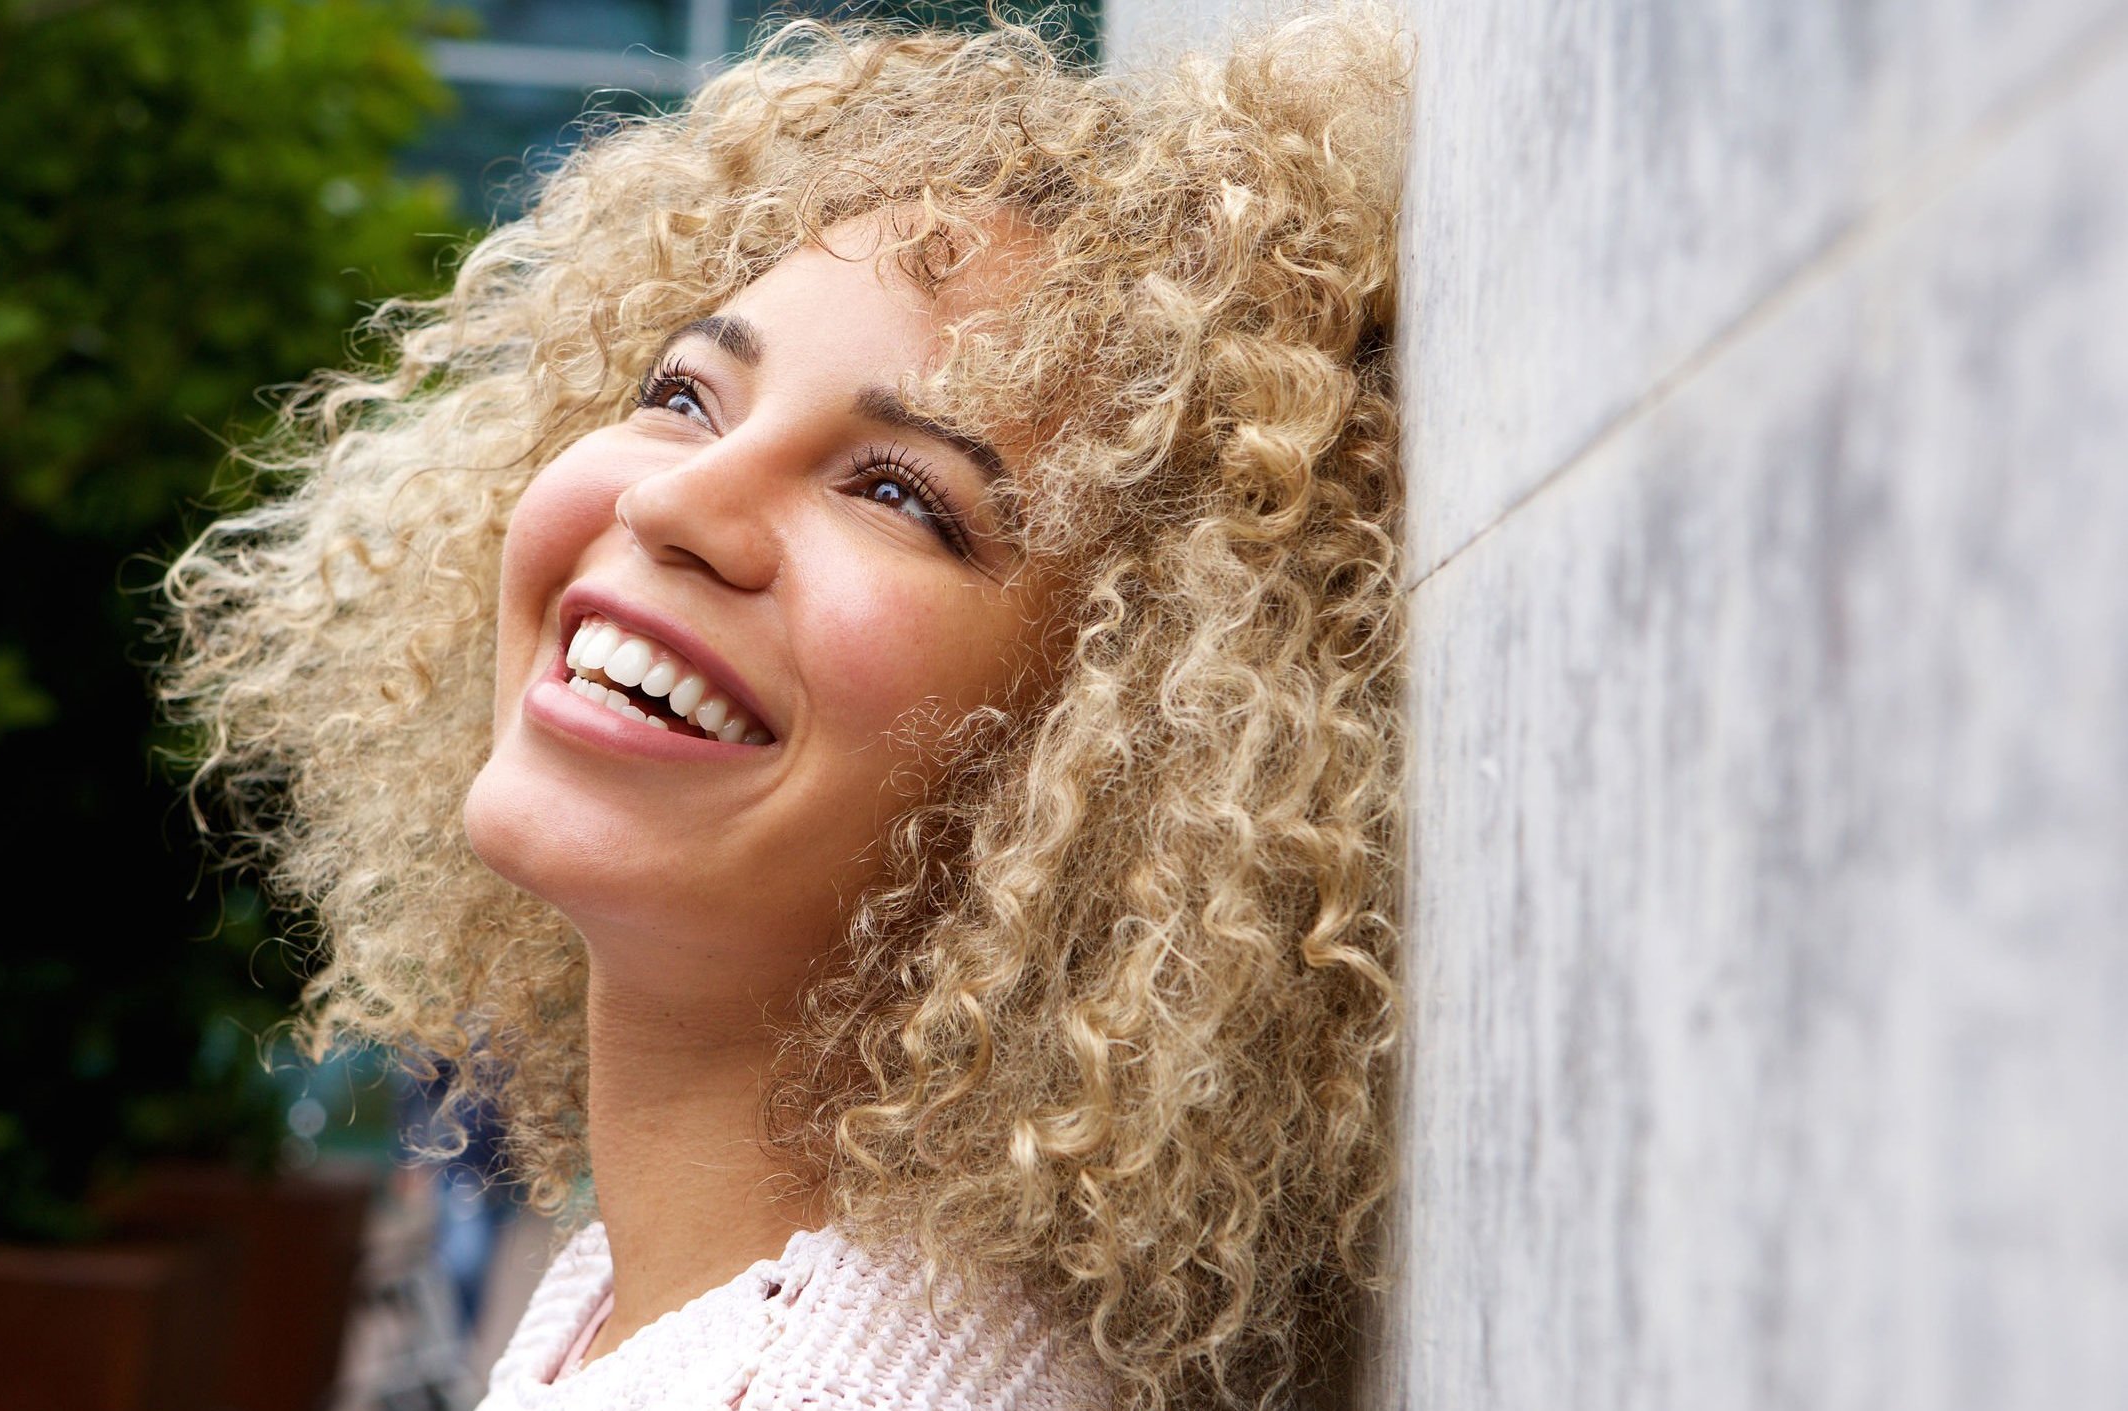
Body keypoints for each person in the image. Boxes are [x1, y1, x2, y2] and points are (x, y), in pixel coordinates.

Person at [162, 11, 1407, 1409]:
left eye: (896, 492)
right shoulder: (692, 1310)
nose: (671, 498)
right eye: (684, 394)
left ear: (1123, 750)